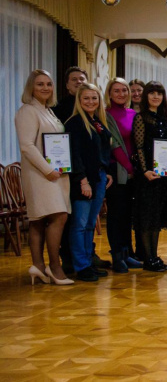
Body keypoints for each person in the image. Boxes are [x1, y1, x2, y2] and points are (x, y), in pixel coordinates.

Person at [15, 70, 73, 285]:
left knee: (40, 220)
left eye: (48, 84)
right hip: (40, 173)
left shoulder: (48, 111)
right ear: (31, 87)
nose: (45, 88)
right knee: (58, 216)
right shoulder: (28, 111)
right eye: (40, 84)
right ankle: (54, 267)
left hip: (55, 171)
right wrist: (47, 169)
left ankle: (38, 266)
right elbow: (26, 146)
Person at [64, 83, 113, 282]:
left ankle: (88, 262)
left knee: (91, 224)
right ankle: (81, 265)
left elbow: (101, 151)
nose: (91, 102)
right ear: (79, 100)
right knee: (80, 224)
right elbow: (74, 155)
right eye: (86, 98)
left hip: (99, 177)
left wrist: (106, 172)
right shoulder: (75, 123)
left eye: (94, 98)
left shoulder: (98, 122)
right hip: (83, 180)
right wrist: (82, 180)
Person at [132, 82, 167, 272]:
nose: (156, 96)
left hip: (164, 174)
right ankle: (148, 258)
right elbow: (139, 146)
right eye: (152, 93)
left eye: (159, 93)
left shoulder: (163, 118)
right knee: (147, 218)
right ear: (146, 96)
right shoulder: (140, 118)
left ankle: (154, 255)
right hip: (148, 176)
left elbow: (165, 144)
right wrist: (145, 171)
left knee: (157, 218)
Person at [104, 77, 143, 272]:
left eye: (124, 90)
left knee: (127, 214)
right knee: (116, 215)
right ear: (109, 94)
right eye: (116, 91)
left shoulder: (132, 114)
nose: (121, 94)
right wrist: (129, 168)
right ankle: (117, 255)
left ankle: (128, 254)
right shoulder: (105, 115)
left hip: (132, 171)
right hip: (117, 170)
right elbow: (114, 145)